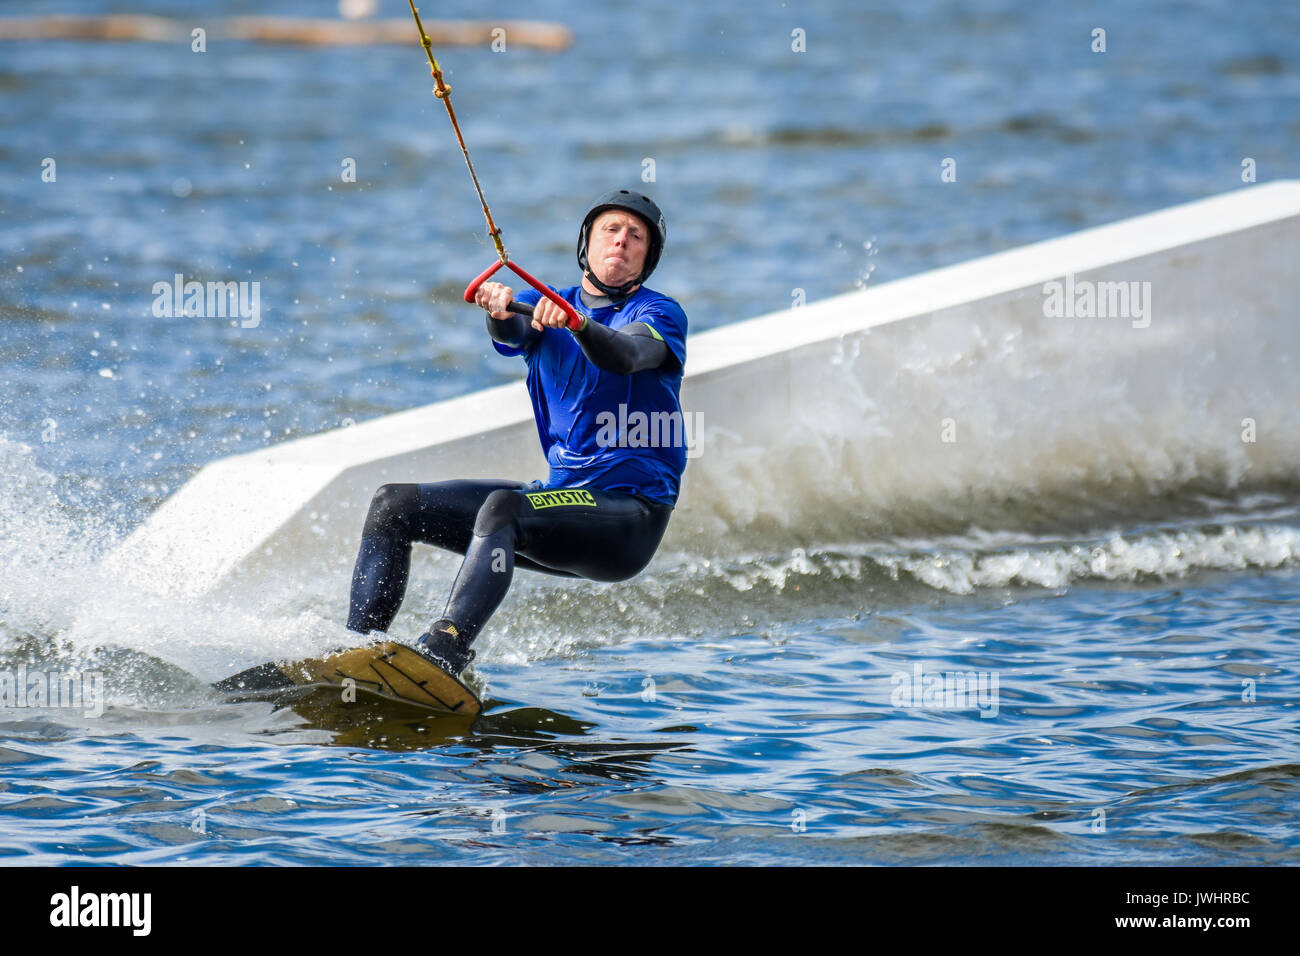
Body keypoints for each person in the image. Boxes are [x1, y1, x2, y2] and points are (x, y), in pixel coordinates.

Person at [345, 189, 689, 675]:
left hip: (630, 516)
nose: (622, 241)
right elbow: (512, 334)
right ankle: (355, 655)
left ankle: (445, 650)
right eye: (610, 230)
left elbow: (624, 355)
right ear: (586, 244)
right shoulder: (543, 305)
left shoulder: (659, 315)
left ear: (647, 257)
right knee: (392, 505)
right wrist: (500, 311)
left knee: (503, 508)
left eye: (636, 237)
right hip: (562, 498)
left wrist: (578, 325)